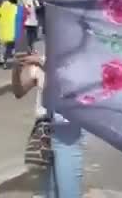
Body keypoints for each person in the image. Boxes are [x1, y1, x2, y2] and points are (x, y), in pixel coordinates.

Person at [11, 50, 84, 197]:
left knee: (67, 192)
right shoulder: (41, 63)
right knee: (46, 192)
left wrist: (43, 61)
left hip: (66, 133)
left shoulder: (71, 56)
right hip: (44, 133)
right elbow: (18, 92)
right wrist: (16, 69)